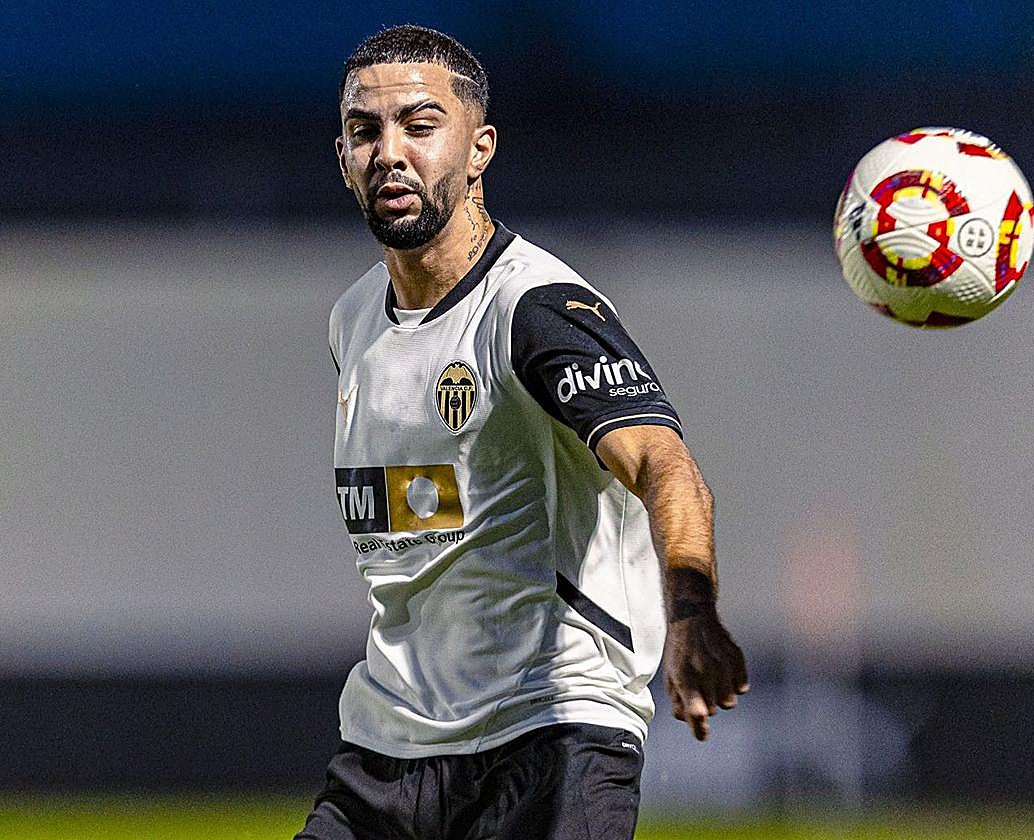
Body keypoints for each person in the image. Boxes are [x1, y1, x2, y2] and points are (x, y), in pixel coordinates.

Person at [297, 24, 748, 840]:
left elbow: (663, 462)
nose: (390, 152)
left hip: (550, 730)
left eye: (421, 126)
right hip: (389, 745)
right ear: (341, 156)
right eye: (367, 131)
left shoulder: (532, 310)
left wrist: (691, 611)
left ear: (480, 150)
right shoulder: (353, 318)